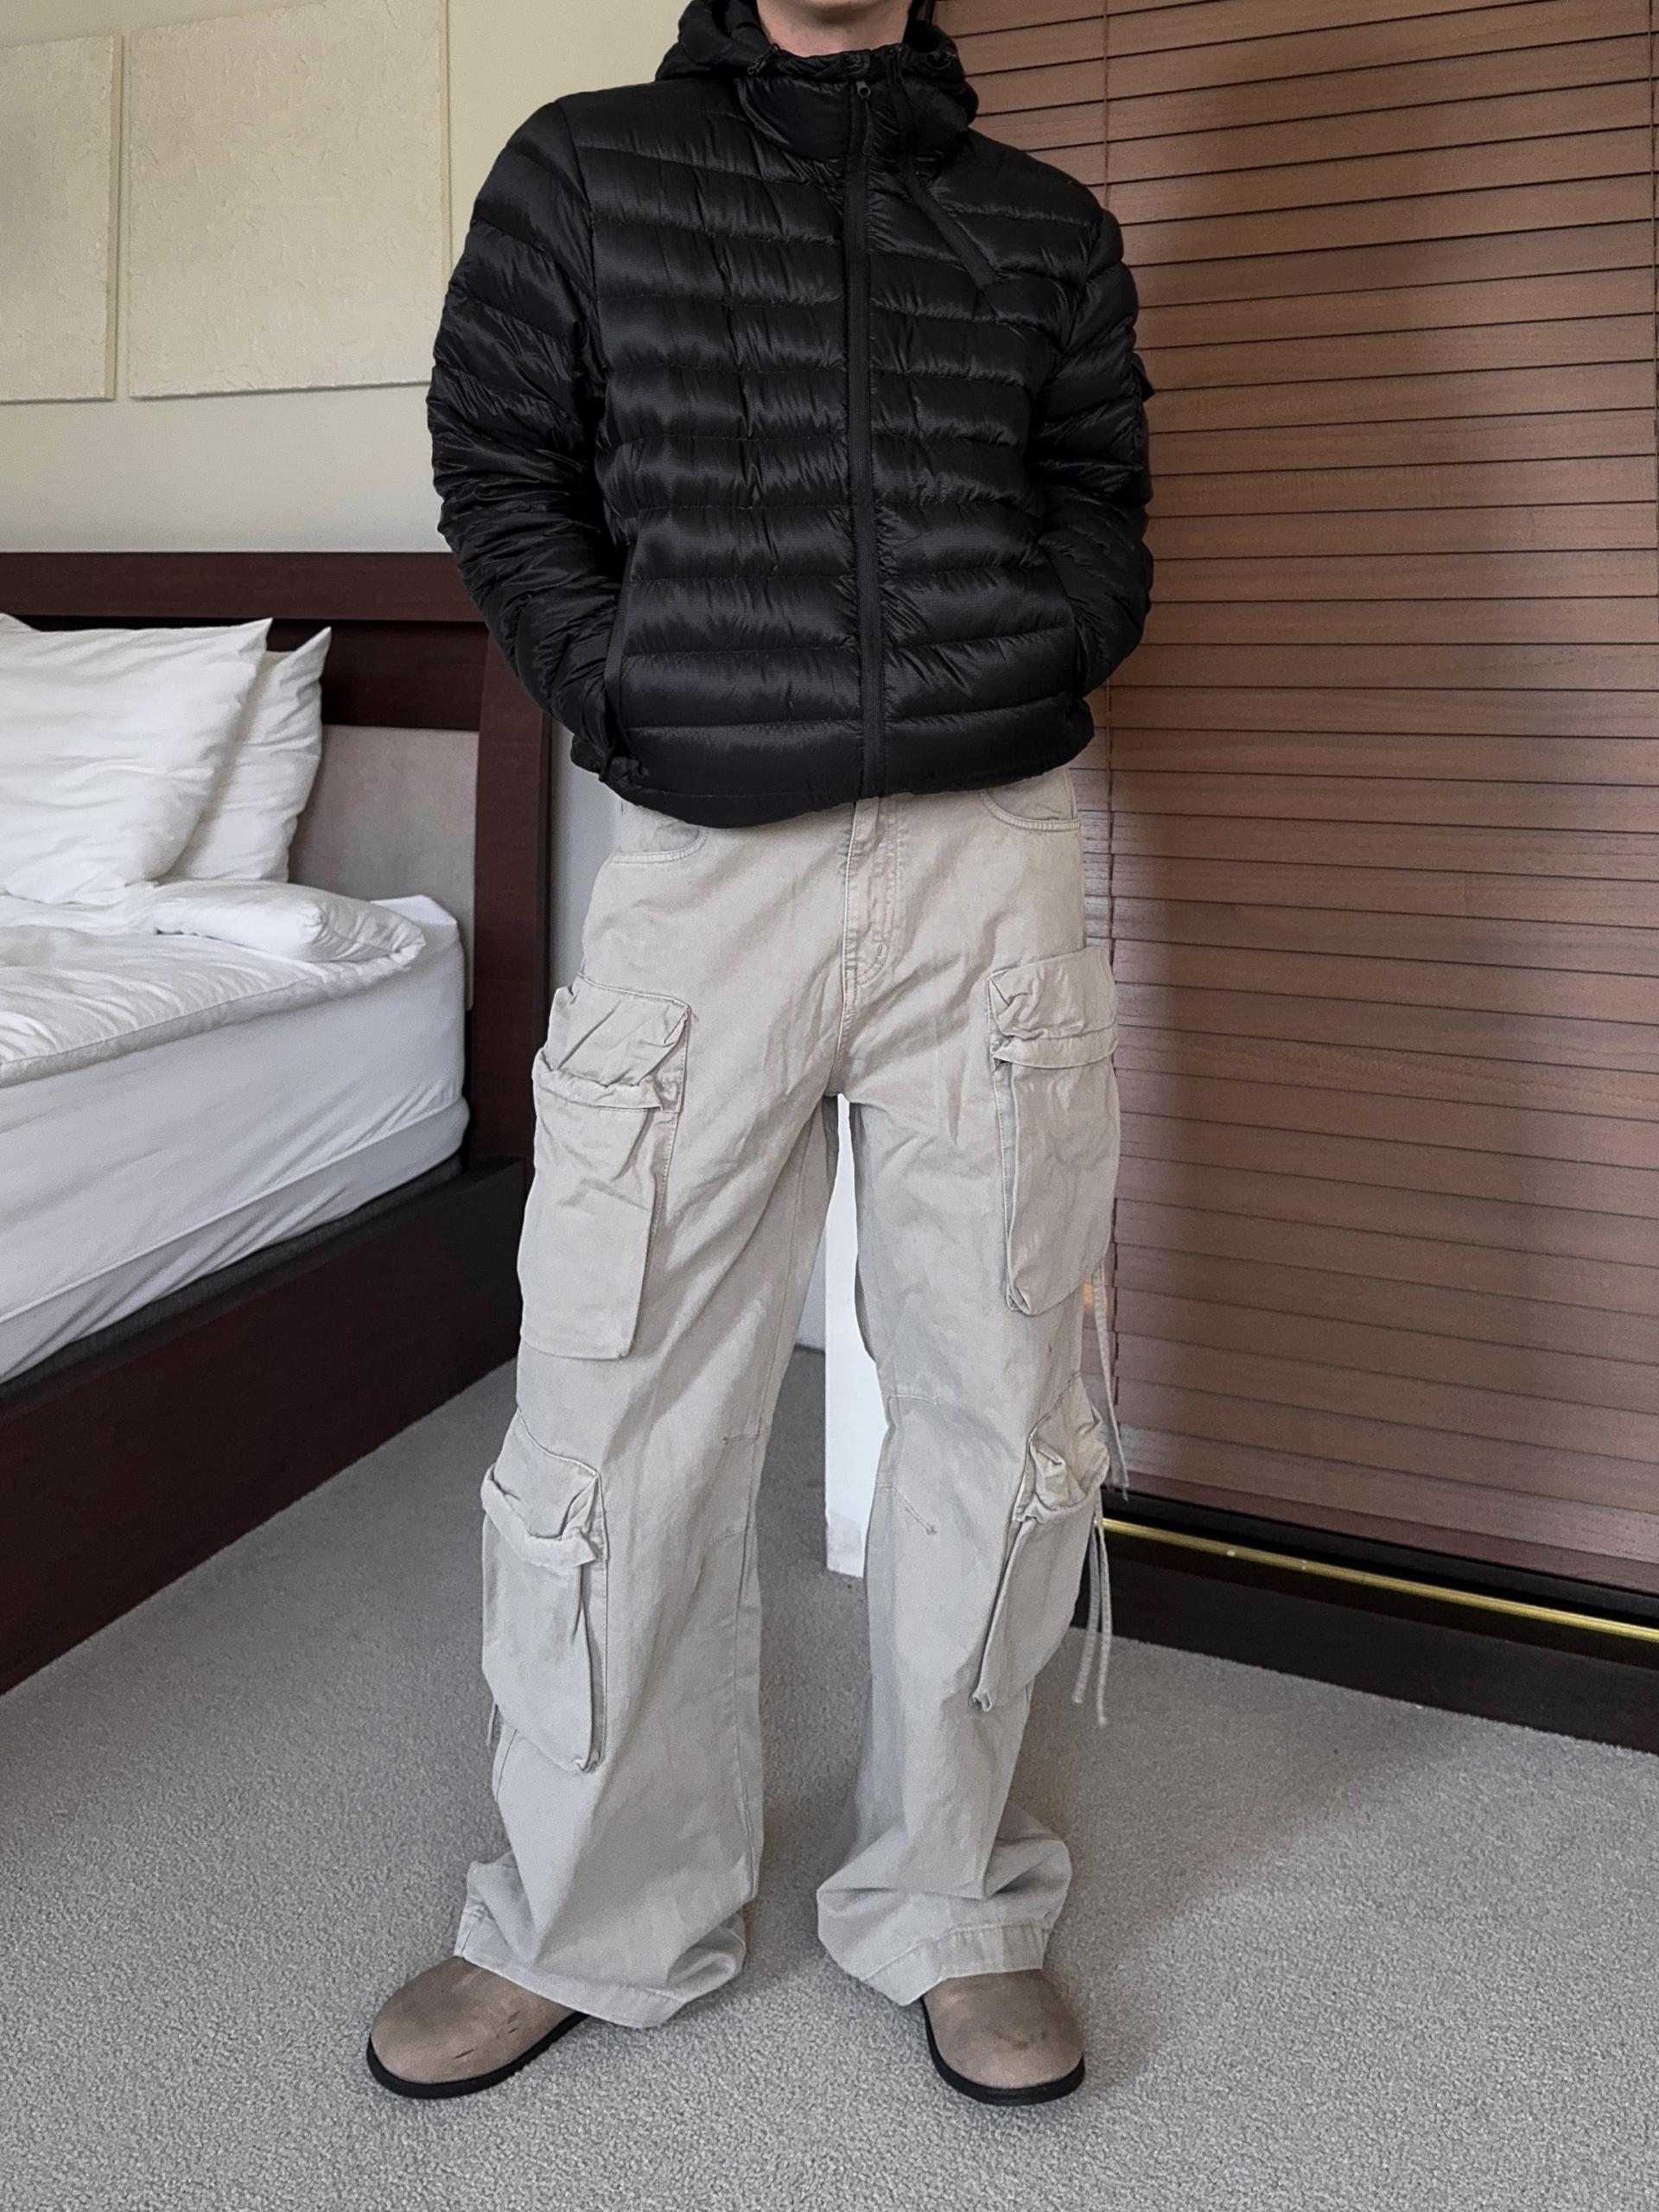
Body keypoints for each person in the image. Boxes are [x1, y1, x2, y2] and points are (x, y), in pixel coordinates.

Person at [368, 0, 1152, 2107]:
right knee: (618, 1398)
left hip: (991, 860)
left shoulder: (1046, 224)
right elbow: (499, 465)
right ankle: (584, 1909)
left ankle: (952, 1899)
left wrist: (1039, 640)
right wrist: (630, 680)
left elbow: (1102, 494)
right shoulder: (585, 169)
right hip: (708, 867)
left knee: (1001, 1391)